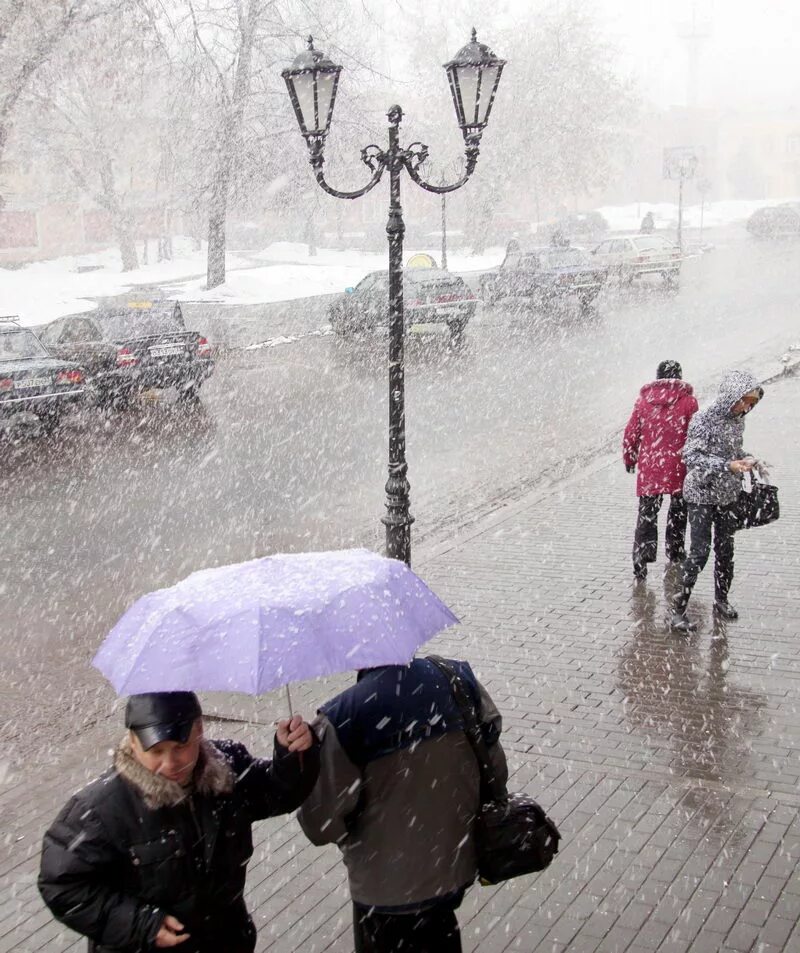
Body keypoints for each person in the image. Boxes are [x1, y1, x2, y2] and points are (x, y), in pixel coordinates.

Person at [39, 691, 319, 953]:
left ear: (199, 730)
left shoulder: (226, 768)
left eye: (180, 746)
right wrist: (140, 924)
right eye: (156, 751)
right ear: (134, 742)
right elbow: (62, 886)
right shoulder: (100, 809)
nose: (170, 762)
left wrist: (292, 755)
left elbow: (277, 794)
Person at [297, 657, 508, 953]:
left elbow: (320, 827)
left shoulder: (342, 717)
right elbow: (496, 770)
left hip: (385, 891)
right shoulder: (455, 678)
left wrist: (300, 765)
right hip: (453, 868)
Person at [670, 370, 765, 633]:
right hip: (701, 494)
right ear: (731, 396)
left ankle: (721, 600)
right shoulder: (704, 419)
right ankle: (678, 610)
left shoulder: (737, 421)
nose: (747, 407)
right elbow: (691, 455)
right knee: (700, 552)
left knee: (725, 550)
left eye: (752, 402)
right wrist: (727, 465)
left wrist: (749, 459)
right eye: (746, 400)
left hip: (727, 495)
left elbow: (733, 451)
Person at [623, 360, 699, 581]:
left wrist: (630, 457)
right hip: (679, 466)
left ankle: (641, 559)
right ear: (680, 376)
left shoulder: (643, 402)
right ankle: (675, 551)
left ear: (657, 377)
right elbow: (696, 435)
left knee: (647, 513)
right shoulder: (689, 402)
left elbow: (631, 433)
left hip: (651, 466)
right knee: (678, 511)